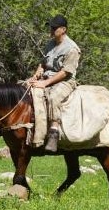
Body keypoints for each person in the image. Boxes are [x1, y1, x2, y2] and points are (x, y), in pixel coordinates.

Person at [26, 15, 81, 152]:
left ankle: (54, 132)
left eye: (54, 28)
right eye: (51, 27)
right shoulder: (50, 44)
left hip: (65, 81)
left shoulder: (72, 48)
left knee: (53, 97)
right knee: (23, 87)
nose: (51, 30)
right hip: (46, 78)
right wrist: (36, 75)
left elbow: (66, 72)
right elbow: (43, 63)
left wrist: (45, 83)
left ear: (63, 29)